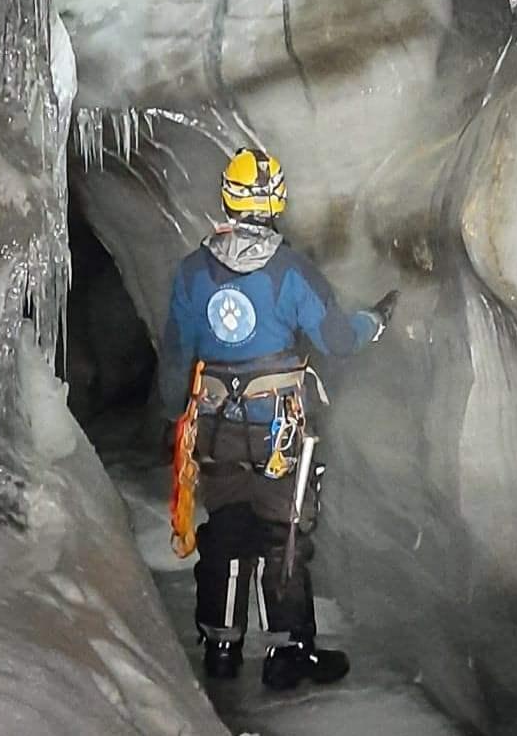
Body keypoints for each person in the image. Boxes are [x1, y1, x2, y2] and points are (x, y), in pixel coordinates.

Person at [156, 146, 397, 691]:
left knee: (225, 534)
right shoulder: (291, 271)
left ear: (229, 196)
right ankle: (288, 653)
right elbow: (336, 339)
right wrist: (374, 321)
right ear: (276, 200)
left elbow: (176, 356)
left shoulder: (193, 273)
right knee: (281, 535)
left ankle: (221, 647)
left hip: (217, 430)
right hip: (277, 434)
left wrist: (174, 419)